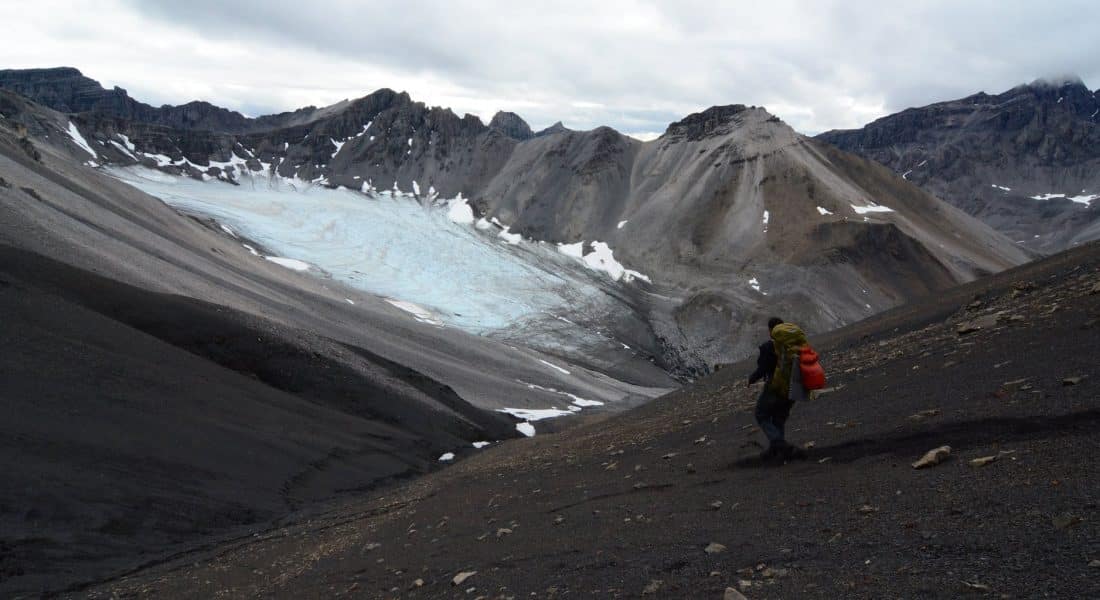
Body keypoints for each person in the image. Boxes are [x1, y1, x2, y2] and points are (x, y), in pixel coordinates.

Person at [747, 317, 806, 460]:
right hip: (794, 385)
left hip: (775, 385)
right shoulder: (794, 345)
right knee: (779, 417)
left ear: (770, 331)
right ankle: (777, 451)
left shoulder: (768, 347)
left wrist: (751, 379)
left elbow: (763, 368)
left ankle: (779, 444)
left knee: (761, 414)